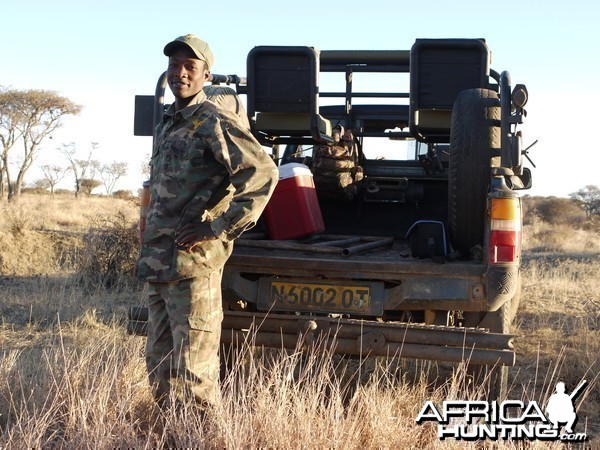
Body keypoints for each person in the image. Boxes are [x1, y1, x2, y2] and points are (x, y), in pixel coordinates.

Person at [137, 34, 278, 411]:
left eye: (189, 67)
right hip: (160, 266)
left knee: (193, 375)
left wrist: (216, 229)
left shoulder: (214, 121)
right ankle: (168, 435)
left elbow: (262, 173)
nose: (179, 73)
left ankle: (202, 438)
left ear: (205, 75)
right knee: (160, 367)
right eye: (174, 66)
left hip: (193, 266)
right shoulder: (168, 123)